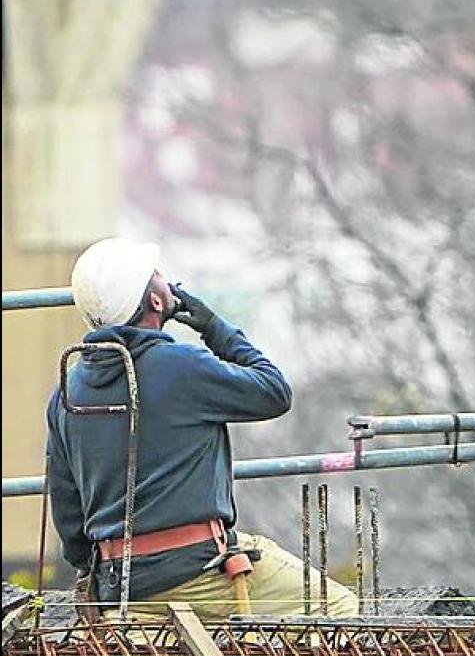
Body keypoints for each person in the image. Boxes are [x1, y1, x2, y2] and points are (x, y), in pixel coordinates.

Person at [46, 237, 358, 620]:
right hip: (197, 573)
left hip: (121, 588)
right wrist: (215, 328)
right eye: (158, 276)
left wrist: (100, 578)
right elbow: (274, 392)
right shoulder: (180, 366)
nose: (168, 281)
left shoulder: (67, 389)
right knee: (339, 607)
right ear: (156, 301)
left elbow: (67, 509)